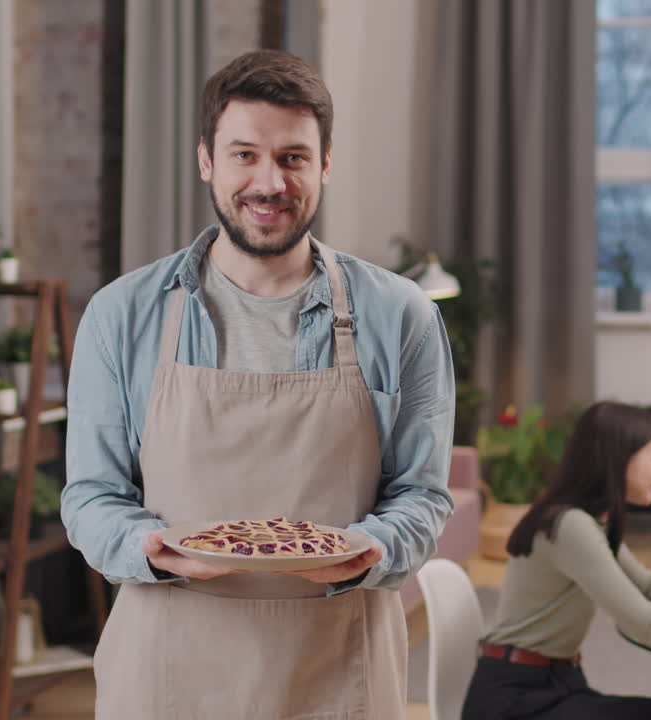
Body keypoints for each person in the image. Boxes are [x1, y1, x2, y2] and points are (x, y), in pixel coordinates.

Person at [60, 50, 455, 719]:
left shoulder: (401, 316)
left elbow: (421, 494)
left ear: (325, 166)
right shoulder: (121, 315)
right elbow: (92, 496)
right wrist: (150, 550)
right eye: (244, 154)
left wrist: (374, 548)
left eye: (293, 158)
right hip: (167, 670)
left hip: (340, 670)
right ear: (207, 160)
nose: (268, 181)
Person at [462, 402, 651, 720]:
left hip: (553, 684)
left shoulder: (589, 521)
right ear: (620, 461)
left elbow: (647, 585)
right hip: (515, 701)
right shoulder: (571, 525)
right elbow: (647, 624)